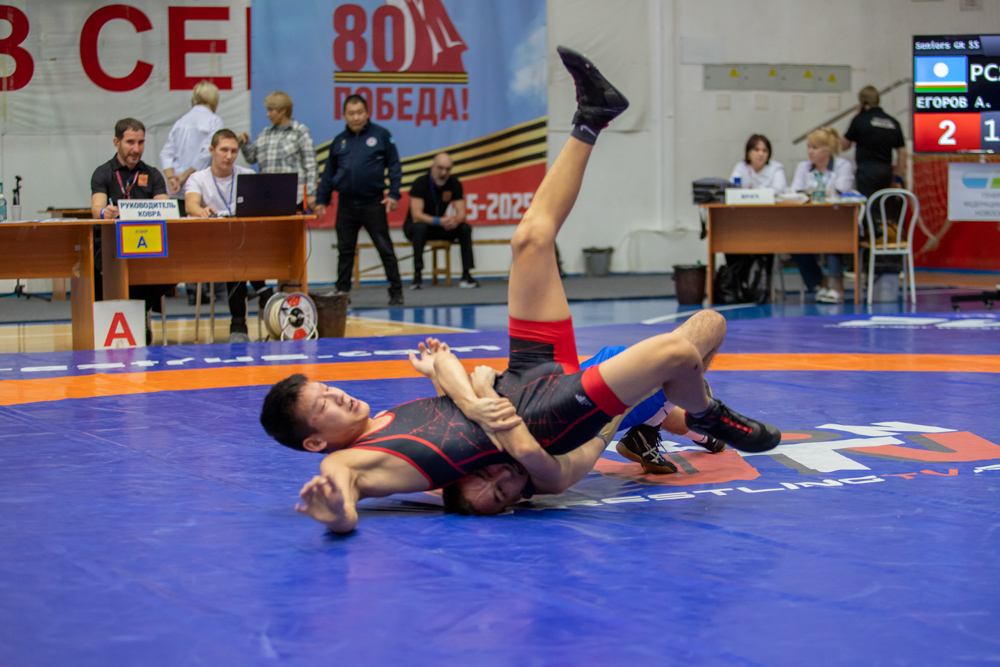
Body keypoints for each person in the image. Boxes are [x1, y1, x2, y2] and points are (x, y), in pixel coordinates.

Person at [264, 47, 781, 533]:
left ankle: (592, 116)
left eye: (326, 389)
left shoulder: (384, 419)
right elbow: (343, 500)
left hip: (525, 375)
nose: (337, 394)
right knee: (674, 352)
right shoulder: (346, 462)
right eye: (324, 406)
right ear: (314, 441)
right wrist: (335, 512)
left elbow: (456, 383)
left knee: (530, 239)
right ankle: (707, 415)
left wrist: (468, 393)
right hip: (548, 416)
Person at [90, 118, 175, 344]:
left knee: (173, 267)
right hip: (110, 245)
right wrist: (105, 212)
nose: (136, 149)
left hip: (146, 245)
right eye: (130, 142)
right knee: (105, 267)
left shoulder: (152, 174)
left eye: (141, 142)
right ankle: (131, 318)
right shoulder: (103, 173)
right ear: (116, 142)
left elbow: (164, 206)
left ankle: (139, 311)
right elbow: (97, 208)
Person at [184, 129, 274, 343]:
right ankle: (264, 293)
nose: (229, 156)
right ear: (211, 150)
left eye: (234, 151)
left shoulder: (247, 175)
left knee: (238, 251)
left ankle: (239, 324)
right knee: (235, 251)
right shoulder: (198, 178)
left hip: (244, 244)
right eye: (224, 150)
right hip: (212, 245)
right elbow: (190, 205)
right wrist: (201, 211)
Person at [315, 94, 405, 305]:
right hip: (346, 204)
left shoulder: (381, 135)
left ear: (367, 113)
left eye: (359, 113)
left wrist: (393, 194)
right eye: (351, 113)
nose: (355, 117)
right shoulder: (339, 141)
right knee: (345, 251)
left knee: (385, 248)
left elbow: (394, 166)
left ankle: (396, 291)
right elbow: (328, 173)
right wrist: (321, 200)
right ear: (344, 115)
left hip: (373, 203)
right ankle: (342, 294)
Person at [159, 80, 225, 305]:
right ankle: (211, 288)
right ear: (214, 100)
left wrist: (172, 177)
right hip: (201, 187)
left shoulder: (181, 122)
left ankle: (192, 289)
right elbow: (207, 154)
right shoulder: (214, 120)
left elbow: (166, 153)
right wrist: (186, 175)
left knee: (185, 241)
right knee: (208, 241)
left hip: (178, 191)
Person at [789, 127, 855, 303]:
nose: (810, 151)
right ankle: (818, 282)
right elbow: (796, 191)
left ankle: (837, 286)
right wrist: (820, 192)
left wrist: (813, 191)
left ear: (828, 150)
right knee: (792, 241)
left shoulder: (843, 166)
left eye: (815, 147)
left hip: (838, 220)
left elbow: (841, 191)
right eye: (809, 147)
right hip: (808, 220)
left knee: (833, 236)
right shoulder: (803, 167)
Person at [403, 153, 478, 289]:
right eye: (440, 168)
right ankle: (417, 275)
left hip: (440, 227)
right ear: (433, 167)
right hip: (416, 227)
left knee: (465, 228)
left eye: (448, 169)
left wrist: (454, 221)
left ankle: (466, 275)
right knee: (420, 227)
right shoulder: (420, 182)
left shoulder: (454, 183)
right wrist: (439, 221)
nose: (444, 173)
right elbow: (416, 215)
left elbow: (462, 214)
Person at [238, 90, 317, 211]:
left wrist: (310, 193)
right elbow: (251, 158)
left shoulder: (300, 132)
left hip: (294, 199)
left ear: (283, 110)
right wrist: (244, 143)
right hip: (267, 198)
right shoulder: (265, 133)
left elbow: (311, 165)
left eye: (271, 110)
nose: (267, 114)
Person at [842, 86, 906, 197]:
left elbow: (844, 145)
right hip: (886, 171)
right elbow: (902, 151)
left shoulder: (860, 120)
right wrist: (898, 176)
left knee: (868, 203)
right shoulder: (893, 122)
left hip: (866, 171)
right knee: (884, 202)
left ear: (862, 101)